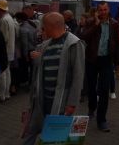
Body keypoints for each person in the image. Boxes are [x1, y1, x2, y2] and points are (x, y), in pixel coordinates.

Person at [22, 12, 85, 145]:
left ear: (50, 26)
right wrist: (38, 59)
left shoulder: (74, 43)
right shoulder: (46, 45)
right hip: (42, 100)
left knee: (56, 138)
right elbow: (41, 69)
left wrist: (72, 103)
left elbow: (78, 76)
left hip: (61, 102)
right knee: (31, 131)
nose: (41, 30)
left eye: (43, 27)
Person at [78, 1, 119, 132]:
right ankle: (92, 107)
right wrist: (96, 25)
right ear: (97, 11)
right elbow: (83, 37)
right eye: (100, 10)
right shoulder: (91, 22)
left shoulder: (114, 24)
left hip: (106, 60)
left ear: (108, 10)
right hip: (92, 59)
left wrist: (116, 61)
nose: (103, 12)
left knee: (104, 89)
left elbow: (116, 41)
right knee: (91, 87)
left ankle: (102, 119)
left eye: (105, 9)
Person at [0, 0, 16, 101]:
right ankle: (6, 94)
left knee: (2, 74)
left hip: (4, 51)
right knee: (7, 72)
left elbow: (2, 38)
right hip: (9, 50)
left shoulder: (3, 20)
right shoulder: (9, 18)